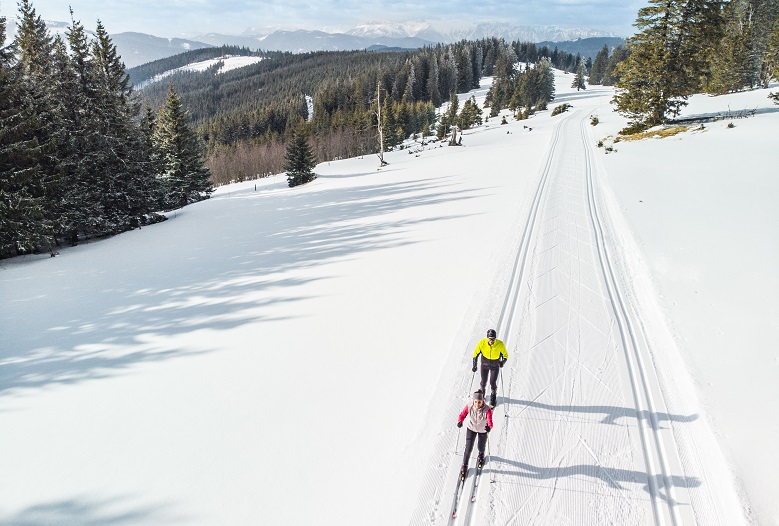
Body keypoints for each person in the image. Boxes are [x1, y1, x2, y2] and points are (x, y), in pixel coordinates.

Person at [457, 389, 493, 477]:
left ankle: (481, 455)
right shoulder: (469, 406)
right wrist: (460, 421)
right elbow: (462, 414)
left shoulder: (487, 409)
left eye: (479, 402)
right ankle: (464, 465)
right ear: (473, 401)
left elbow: (490, 421)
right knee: (468, 448)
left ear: (482, 401)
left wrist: (489, 427)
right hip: (471, 428)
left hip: (482, 430)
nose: (477, 404)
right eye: (475, 402)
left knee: (481, 446)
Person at [472, 328, 508, 407]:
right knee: (483, 381)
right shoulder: (482, 343)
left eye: (493, 339)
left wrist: (502, 362)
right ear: (487, 338)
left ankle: (493, 396)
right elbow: (475, 354)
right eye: (490, 338)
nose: (491, 340)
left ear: (495, 338)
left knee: (492, 382)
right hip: (484, 365)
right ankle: (482, 394)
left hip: (495, 366)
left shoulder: (500, 344)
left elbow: (505, 356)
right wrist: (474, 365)